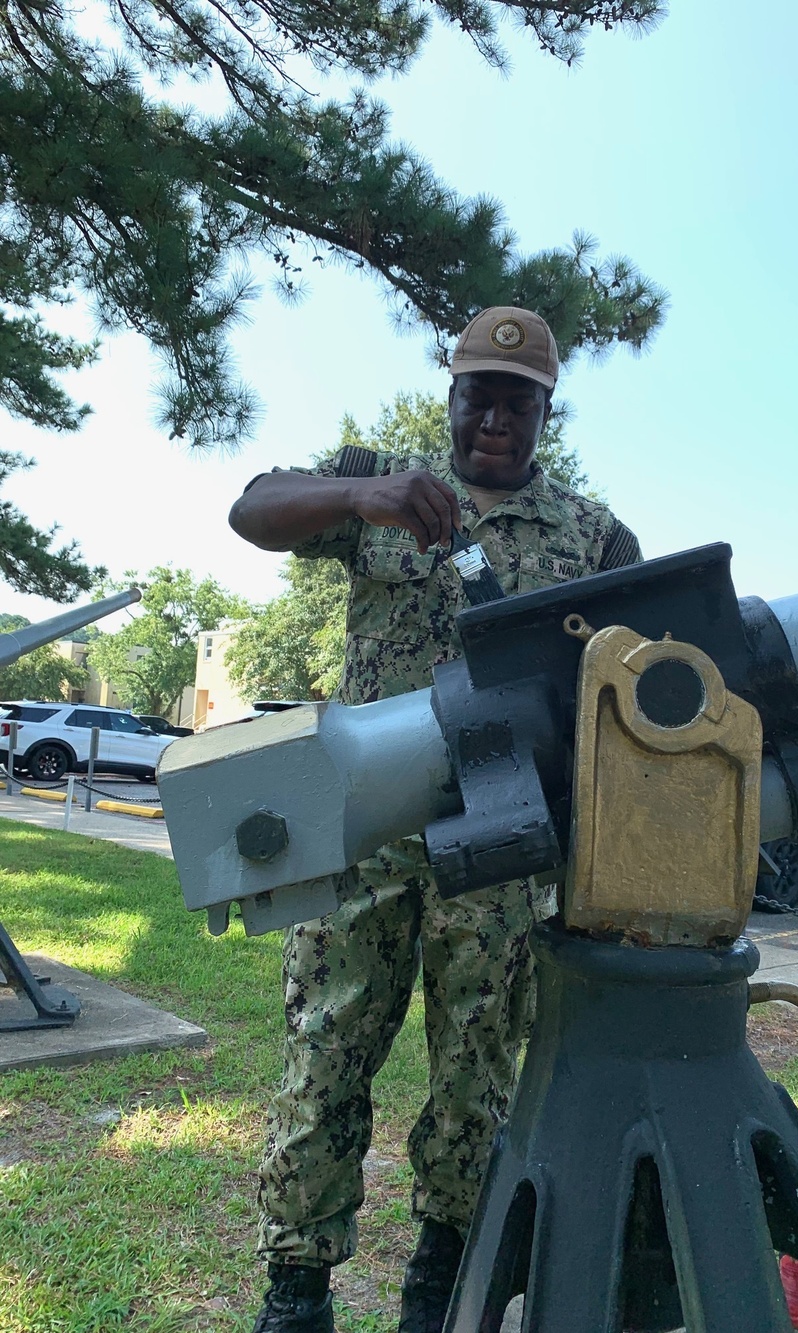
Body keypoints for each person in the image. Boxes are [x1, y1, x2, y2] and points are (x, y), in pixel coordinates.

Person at [229, 307, 643, 1333]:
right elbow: (251, 507)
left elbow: (633, 681)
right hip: (360, 834)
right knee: (323, 1060)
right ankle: (295, 1295)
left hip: (498, 846)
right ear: (450, 396)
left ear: (545, 411)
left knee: (475, 1081)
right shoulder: (386, 485)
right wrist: (360, 494)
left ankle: (441, 1292)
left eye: (518, 398)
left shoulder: (593, 535)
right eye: (478, 393)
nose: (495, 416)